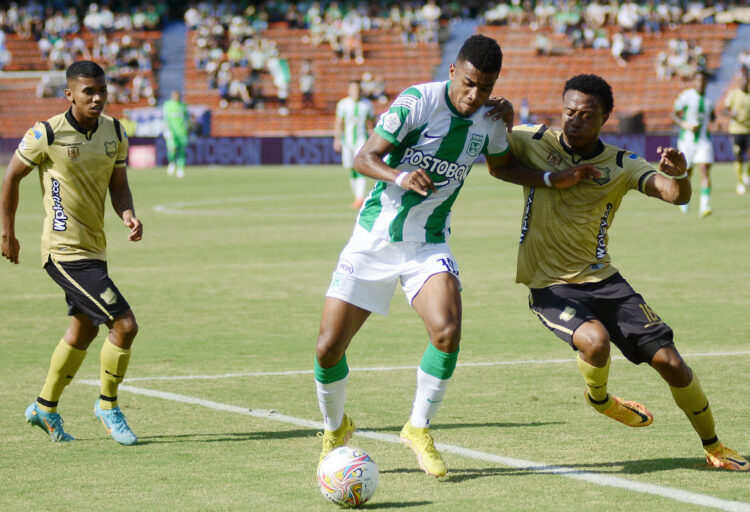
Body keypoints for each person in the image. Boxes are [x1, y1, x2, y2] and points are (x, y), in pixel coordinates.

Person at [314, 35, 597, 478]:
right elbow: (363, 157)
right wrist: (400, 174)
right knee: (328, 348)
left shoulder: (489, 118)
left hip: (428, 243)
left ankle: (417, 428)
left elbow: (502, 168)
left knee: (447, 331)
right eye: (468, 84)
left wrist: (548, 177)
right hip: (373, 239)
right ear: (452, 71)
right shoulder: (416, 103)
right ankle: (335, 428)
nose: (475, 96)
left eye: (485, 88)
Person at [498, 73, 747, 471]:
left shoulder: (621, 163)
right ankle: (600, 399)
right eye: (569, 112)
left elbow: (672, 194)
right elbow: (495, 151)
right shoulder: (534, 140)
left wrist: (680, 175)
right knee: (595, 341)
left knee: (671, 362)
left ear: (606, 118)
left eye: (587, 114)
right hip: (550, 286)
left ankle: (715, 445)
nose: (575, 120)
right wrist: (500, 116)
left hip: (606, 281)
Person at [0, 60, 143, 446]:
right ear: (69, 95)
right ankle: (107, 405)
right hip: (63, 252)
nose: (97, 98)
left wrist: (127, 213)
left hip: (94, 249)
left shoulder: (115, 132)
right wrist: (7, 233)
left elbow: (120, 185)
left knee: (83, 329)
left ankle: (45, 408)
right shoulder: (47, 133)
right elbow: (11, 175)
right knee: (124, 325)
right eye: (88, 92)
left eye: (102, 91)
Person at [672, 70, 715, 217]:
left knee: (704, 170)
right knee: (687, 173)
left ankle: (705, 206)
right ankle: (685, 202)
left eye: (703, 81)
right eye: (698, 81)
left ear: (706, 83)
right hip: (687, 141)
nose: (701, 83)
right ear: (694, 82)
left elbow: (713, 117)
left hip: (703, 141)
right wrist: (685, 125)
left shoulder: (709, 101)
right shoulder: (687, 96)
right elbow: (674, 115)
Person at [333, 80, 375, 210]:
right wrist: (337, 139)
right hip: (348, 142)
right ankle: (358, 197)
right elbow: (339, 122)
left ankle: (360, 198)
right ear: (349, 90)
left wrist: (373, 138)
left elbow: (371, 122)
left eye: (358, 89)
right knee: (351, 168)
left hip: (362, 141)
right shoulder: (343, 104)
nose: (356, 92)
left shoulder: (367, 104)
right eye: (353, 89)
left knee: (360, 166)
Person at [724, 67, 750, 195]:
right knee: (739, 157)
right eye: (741, 81)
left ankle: (747, 175)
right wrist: (731, 114)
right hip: (736, 131)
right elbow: (725, 109)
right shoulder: (734, 94)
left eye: (745, 80)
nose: (743, 83)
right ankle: (740, 183)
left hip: (748, 129)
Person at [163, 89, 190, 178]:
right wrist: (167, 130)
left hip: (182, 132)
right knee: (172, 150)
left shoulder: (183, 106)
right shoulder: (168, 105)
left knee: (181, 151)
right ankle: (172, 162)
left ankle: (180, 169)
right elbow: (166, 118)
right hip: (172, 132)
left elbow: (187, 119)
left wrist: (188, 129)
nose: (176, 97)